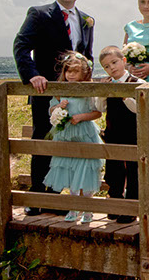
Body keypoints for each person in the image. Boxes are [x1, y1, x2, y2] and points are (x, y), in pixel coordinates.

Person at [13, 0, 95, 216]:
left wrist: (90, 81)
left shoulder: (87, 19)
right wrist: (32, 75)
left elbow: (86, 56)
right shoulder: (39, 14)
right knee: (43, 142)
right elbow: (21, 45)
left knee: (68, 144)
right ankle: (37, 198)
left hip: (76, 96)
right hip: (46, 92)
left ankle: (58, 199)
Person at [43, 52, 104, 223]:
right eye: (68, 71)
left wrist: (81, 117)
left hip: (84, 133)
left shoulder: (88, 90)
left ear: (84, 73)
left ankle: (88, 208)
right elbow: (50, 110)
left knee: (85, 169)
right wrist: (57, 108)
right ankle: (73, 207)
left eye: (75, 72)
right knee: (70, 169)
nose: (70, 75)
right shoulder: (61, 90)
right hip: (66, 134)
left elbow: (97, 112)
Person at [94, 45, 144, 224]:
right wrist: (102, 94)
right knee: (114, 169)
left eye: (114, 62)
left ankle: (131, 208)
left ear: (123, 61)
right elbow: (100, 108)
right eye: (107, 66)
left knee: (132, 170)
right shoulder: (107, 83)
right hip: (113, 131)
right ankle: (115, 203)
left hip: (132, 132)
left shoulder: (136, 82)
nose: (112, 68)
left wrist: (124, 95)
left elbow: (140, 109)